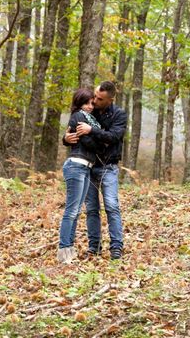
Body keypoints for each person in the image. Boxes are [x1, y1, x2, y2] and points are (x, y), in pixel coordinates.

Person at [64, 81, 127, 260]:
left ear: (110, 100)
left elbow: (114, 137)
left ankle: (116, 247)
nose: (95, 101)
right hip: (88, 166)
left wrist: (91, 130)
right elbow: (73, 128)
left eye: (99, 99)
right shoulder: (89, 111)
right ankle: (94, 247)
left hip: (109, 166)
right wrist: (66, 138)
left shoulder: (119, 114)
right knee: (91, 209)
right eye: (95, 96)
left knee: (112, 206)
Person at [58, 88, 103, 264]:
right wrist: (100, 143)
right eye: (86, 103)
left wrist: (93, 134)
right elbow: (87, 142)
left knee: (76, 212)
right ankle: (64, 250)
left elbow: (91, 138)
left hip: (86, 168)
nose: (90, 106)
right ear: (79, 103)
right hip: (76, 165)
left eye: (92, 103)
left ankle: (69, 248)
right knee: (71, 211)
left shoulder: (91, 120)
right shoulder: (78, 116)